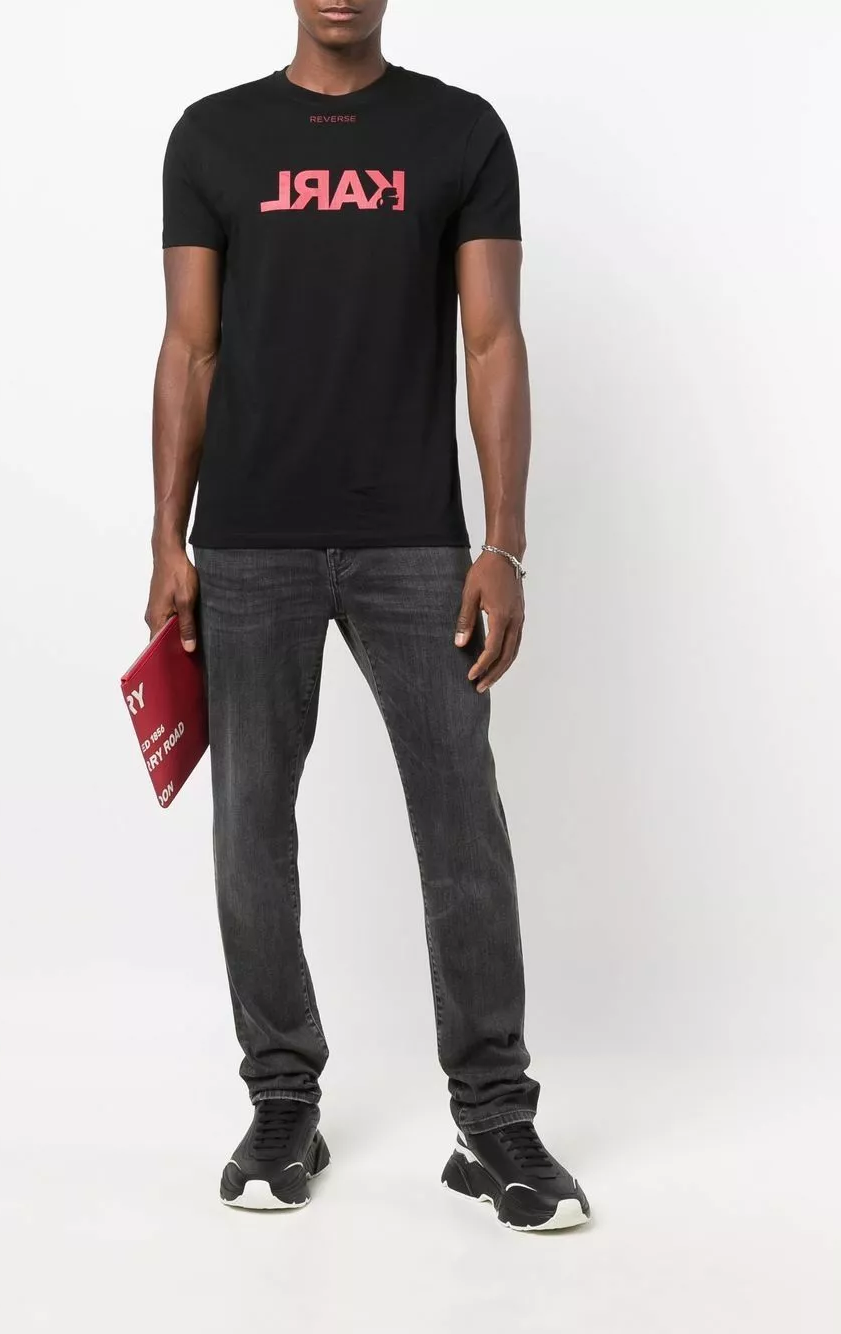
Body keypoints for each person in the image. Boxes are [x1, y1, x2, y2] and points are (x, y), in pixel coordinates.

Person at [146, 0, 590, 1231]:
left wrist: (502, 541)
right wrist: (167, 536)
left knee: (461, 827)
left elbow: (492, 341)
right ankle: (282, 1095)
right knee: (250, 828)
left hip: (414, 540)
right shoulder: (212, 136)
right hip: (248, 540)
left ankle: (492, 1115)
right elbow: (189, 347)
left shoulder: (459, 132)